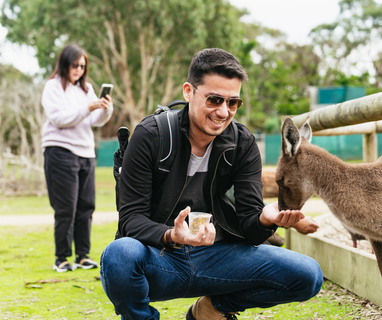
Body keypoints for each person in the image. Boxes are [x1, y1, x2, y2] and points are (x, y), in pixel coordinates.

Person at [100, 48, 323, 320]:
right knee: (119, 254)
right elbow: (131, 219)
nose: (223, 112)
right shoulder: (152, 135)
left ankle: (212, 309)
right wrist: (172, 235)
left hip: (217, 257)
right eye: (214, 99)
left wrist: (265, 219)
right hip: (160, 257)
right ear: (188, 92)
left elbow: (250, 229)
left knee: (308, 275)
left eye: (233, 103)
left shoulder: (242, 144)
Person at [42, 44, 113, 272]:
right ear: (65, 64)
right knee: (66, 208)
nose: (79, 70)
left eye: (83, 66)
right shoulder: (52, 88)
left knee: (86, 206)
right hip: (60, 151)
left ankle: (82, 256)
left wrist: (105, 109)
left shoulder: (86, 89)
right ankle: (61, 258)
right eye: (75, 65)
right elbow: (59, 118)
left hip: (85, 152)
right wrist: (87, 107)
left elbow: (94, 121)